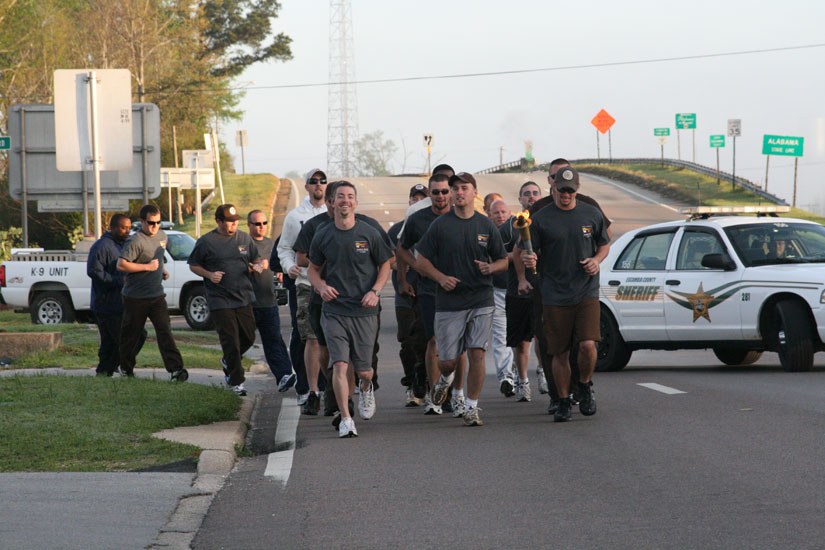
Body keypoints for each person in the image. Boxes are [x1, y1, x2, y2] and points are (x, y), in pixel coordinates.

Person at [515, 158, 612, 414]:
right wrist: (528, 259)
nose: (566, 194)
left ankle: (584, 385)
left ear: (577, 189)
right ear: (553, 187)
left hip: (585, 290)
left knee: (588, 345)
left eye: (571, 190)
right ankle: (563, 400)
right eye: (562, 189)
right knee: (559, 352)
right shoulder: (541, 217)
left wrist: (596, 260)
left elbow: (605, 243)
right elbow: (526, 251)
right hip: (554, 293)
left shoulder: (590, 213)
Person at [294, 181, 393, 420]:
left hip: (364, 310)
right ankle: (345, 415)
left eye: (350, 196)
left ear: (356, 202)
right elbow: (312, 268)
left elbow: (385, 264)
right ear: (331, 202)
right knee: (338, 362)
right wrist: (320, 286)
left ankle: (366, 387)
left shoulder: (369, 232)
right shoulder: (320, 232)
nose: (345, 200)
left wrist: (376, 291)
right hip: (333, 309)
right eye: (340, 197)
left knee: (364, 370)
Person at [415, 172, 508, 426]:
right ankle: (444, 381)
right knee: (448, 362)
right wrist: (440, 277)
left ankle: (471, 406)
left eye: (464, 188)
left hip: (481, 298)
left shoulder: (486, 224)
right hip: (449, 302)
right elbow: (420, 261)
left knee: (477, 352)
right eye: (455, 188)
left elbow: (502, 259)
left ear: (475, 193)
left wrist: (492, 268)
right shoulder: (441, 225)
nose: (458, 193)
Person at [397, 172, 464, 416]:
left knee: (458, 346)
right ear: (430, 193)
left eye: (445, 191)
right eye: (435, 192)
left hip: (459, 289)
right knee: (434, 341)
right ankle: (437, 395)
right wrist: (412, 269)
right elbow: (401, 248)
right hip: (429, 290)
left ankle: (456, 395)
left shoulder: (462, 215)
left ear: (452, 192)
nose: (441, 196)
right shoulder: (418, 218)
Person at [188, 204, 263, 396]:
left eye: (236, 220)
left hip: (243, 296)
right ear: (219, 221)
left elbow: (256, 259)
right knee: (231, 341)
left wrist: (257, 267)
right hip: (219, 299)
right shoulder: (207, 241)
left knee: (249, 336)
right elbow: (194, 265)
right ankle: (237, 382)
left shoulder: (244, 238)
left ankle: (228, 361)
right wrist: (209, 274)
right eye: (229, 221)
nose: (233, 224)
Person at [117, 205, 187, 381]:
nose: (155, 226)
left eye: (158, 222)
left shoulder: (162, 236)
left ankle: (176, 370)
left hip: (156, 295)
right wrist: (146, 267)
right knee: (132, 335)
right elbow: (121, 265)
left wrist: (161, 270)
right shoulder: (135, 241)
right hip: (135, 297)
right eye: (151, 223)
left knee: (165, 332)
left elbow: (158, 258)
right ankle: (125, 367)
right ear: (142, 222)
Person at [277, 169, 328, 408]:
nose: (318, 185)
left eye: (322, 181)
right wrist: (289, 266)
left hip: (333, 285)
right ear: (306, 187)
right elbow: (284, 248)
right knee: (306, 337)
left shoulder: (334, 213)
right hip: (305, 284)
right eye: (313, 181)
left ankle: (329, 388)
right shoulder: (295, 216)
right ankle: (306, 389)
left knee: (330, 339)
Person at [87, 214, 146, 376]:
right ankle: (120, 367)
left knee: (132, 337)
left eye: (128, 228)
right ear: (112, 227)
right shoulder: (101, 246)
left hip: (124, 302)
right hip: (106, 304)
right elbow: (94, 272)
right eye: (123, 227)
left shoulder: (125, 245)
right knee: (121, 339)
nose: (127, 231)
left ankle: (108, 369)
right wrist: (119, 281)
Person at [388, 184, 429, 406]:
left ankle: (426, 381)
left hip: (426, 291)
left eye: (422, 199)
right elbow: (386, 260)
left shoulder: (430, 225)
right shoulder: (396, 230)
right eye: (414, 199)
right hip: (403, 292)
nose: (417, 203)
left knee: (425, 339)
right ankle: (411, 384)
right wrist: (402, 265)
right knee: (406, 339)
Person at [247, 209, 295, 392]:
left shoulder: (272, 244)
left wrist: (281, 272)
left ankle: (283, 375)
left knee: (274, 339)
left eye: (264, 223)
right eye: (257, 224)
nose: (261, 227)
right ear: (249, 225)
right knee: (243, 341)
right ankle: (231, 367)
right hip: (248, 303)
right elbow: (237, 267)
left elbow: (279, 263)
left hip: (268, 301)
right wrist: (256, 267)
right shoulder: (244, 244)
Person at [486, 199, 519, 398]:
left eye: (503, 212)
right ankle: (506, 377)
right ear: (489, 215)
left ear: (509, 213)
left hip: (518, 292)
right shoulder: (484, 232)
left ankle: (520, 374)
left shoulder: (518, 230)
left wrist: (502, 258)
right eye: (495, 213)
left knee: (521, 340)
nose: (500, 216)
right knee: (500, 336)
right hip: (496, 291)